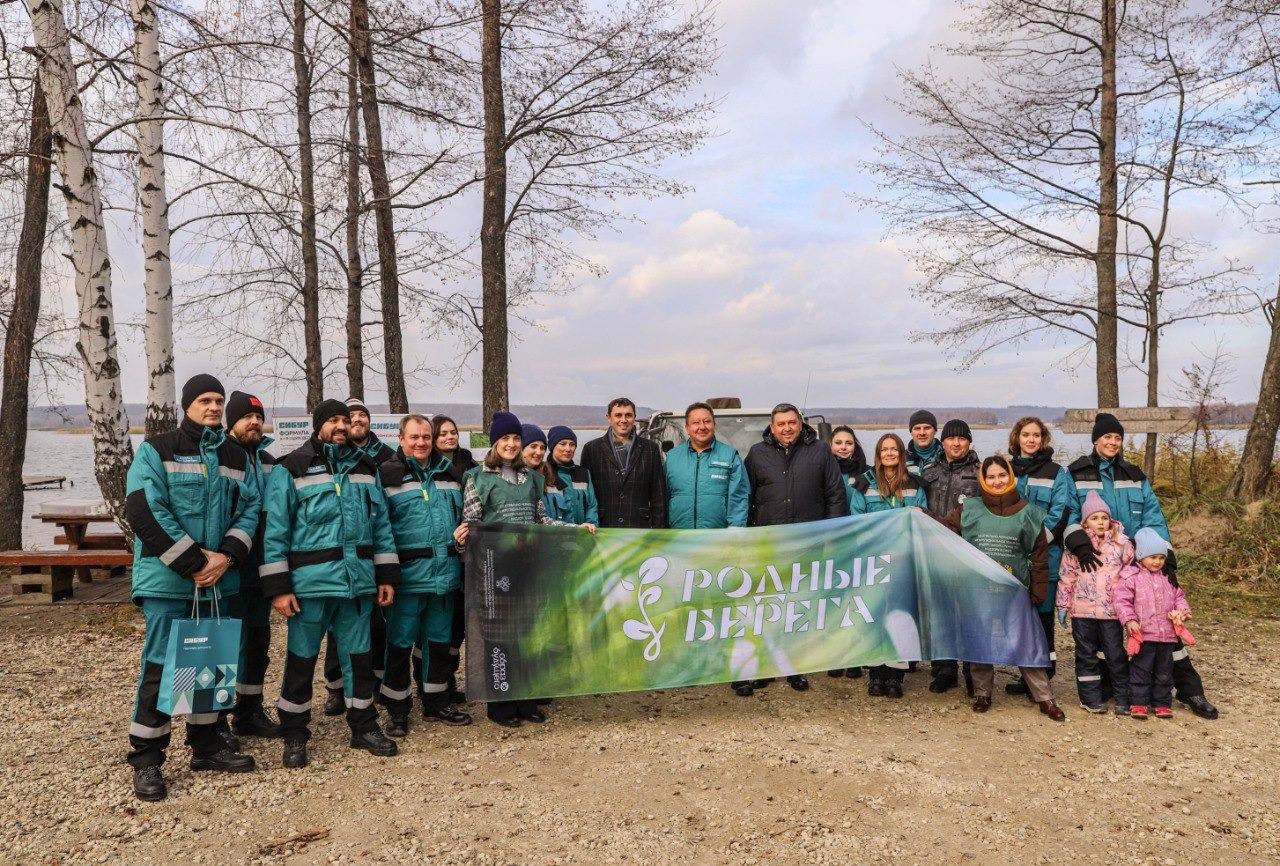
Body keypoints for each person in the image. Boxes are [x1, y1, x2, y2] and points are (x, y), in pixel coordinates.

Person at [124, 374, 260, 802]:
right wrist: (196, 562)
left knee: (211, 662)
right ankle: (147, 758)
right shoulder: (157, 449)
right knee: (163, 665)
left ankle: (206, 745)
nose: (214, 407)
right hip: (169, 582)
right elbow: (145, 509)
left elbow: (251, 506)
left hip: (219, 579)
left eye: (219, 400)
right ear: (187, 405)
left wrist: (226, 558)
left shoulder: (235, 454)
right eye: (205, 400)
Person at [260, 399, 401, 768]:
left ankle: (363, 726)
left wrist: (386, 575)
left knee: (359, 661)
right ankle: (294, 733)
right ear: (318, 425)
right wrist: (279, 587)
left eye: (344, 420)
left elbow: (382, 527)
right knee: (301, 661)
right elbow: (275, 531)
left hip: (357, 587)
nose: (340, 426)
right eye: (333, 420)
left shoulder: (367, 469)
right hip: (309, 589)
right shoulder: (290, 469)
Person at [1063, 413, 1218, 720]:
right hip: (1098, 566)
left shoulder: (1134, 475)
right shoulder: (1076, 473)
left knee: (1161, 626)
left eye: (1117, 438)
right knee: (1104, 632)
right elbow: (1067, 513)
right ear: (1095, 440)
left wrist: (1165, 554)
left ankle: (1190, 689)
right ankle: (1114, 686)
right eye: (1106, 437)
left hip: (1139, 564)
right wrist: (1078, 541)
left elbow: (1153, 517)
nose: (1112, 442)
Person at [453, 411, 595, 726]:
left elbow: (541, 519)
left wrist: (574, 529)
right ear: (494, 442)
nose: (511, 443)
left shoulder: (533, 478)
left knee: (529, 634)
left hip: (528, 568)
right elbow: (472, 522)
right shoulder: (478, 478)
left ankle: (527, 701)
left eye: (516, 438)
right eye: (505, 438)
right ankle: (502, 706)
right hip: (495, 570)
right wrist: (463, 541)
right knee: (501, 637)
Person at [941, 455, 1066, 722]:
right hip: (978, 589)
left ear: (1010, 477)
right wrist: (920, 516)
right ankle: (983, 693)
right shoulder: (969, 509)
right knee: (980, 641)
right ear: (983, 481)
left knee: (1026, 641)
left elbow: (1039, 556)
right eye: (991, 477)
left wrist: (1038, 590)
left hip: (1015, 590)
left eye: (1002, 476)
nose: (997, 481)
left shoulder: (1030, 513)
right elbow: (943, 530)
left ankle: (1044, 697)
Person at [740, 402, 849, 696]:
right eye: (781, 424)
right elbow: (746, 496)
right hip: (769, 543)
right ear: (772, 427)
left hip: (808, 543)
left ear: (800, 423)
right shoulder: (757, 454)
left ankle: (795, 667)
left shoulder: (820, 451)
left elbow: (835, 494)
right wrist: (748, 536)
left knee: (800, 607)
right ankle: (764, 666)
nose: (786, 428)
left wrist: (832, 534)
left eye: (791, 422)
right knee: (767, 607)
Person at [377, 414, 472, 736]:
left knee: (439, 643)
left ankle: (436, 701)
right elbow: (381, 530)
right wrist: (387, 576)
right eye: (414, 437)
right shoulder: (388, 477)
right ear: (401, 439)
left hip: (444, 577)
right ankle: (397, 708)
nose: (421, 443)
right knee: (400, 645)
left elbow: (464, 517)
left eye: (426, 437)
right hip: (408, 578)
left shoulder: (450, 475)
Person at [320, 397, 394, 713]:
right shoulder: (330, 458)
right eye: (351, 416)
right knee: (339, 629)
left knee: (376, 626)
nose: (356, 419)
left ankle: (372, 684)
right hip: (340, 560)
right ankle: (336, 688)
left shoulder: (387, 457)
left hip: (374, 552)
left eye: (362, 414)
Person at [849, 433, 928, 696]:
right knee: (874, 617)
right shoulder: (864, 484)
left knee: (899, 616)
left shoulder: (915, 484)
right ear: (878, 454)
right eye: (885, 450)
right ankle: (876, 673)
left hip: (903, 560)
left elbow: (922, 520)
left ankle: (895, 676)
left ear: (901, 454)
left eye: (894, 449)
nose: (890, 454)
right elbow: (856, 520)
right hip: (873, 559)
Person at [223, 390, 282, 740]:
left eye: (259, 417)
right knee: (224, 643)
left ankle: (249, 711)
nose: (255, 422)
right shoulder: (219, 457)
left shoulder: (270, 462)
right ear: (233, 421)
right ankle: (214, 718)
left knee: (258, 642)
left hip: (260, 569)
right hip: (228, 566)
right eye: (247, 416)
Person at [1006, 416, 1075, 696]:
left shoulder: (1057, 473)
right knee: (1020, 618)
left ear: (1043, 439)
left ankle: (1046, 672)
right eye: (1026, 435)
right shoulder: (1006, 470)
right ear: (1017, 438)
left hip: (1046, 556)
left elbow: (1062, 510)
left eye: (1036, 435)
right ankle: (1026, 674)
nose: (1031, 440)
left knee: (1043, 617)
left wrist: (1037, 542)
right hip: (1011, 556)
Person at [1056, 492, 1134, 714]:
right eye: (1094, 518)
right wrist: (1063, 605)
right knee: (1086, 654)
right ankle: (1090, 697)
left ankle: (1122, 697)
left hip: (1111, 612)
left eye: (1104, 517)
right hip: (1082, 611)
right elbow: (1067, 576)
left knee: (1115, 654)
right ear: (1085, 521)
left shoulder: (1122, 544)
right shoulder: (1077, 546)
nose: (1100, 522)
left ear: (1110, 520)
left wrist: (1131, 604)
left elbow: (1131, 574)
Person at [920, 419, 981, 694]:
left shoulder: (980, 473)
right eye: (951, 439)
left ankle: (972, 670)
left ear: (969, 442)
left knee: (969, 612)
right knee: (940, 611)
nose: (956, 443)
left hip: (967, 549)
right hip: (935, 548)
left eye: (962, 439)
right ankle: (944, 670)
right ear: (942, 442)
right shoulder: (929, 471)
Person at [1112, 529, 1192, 721]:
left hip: (1167, 636)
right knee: (1141, 670)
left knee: (1164, 671)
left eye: (1161, 558)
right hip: (1144, 634)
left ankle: (1162, 703)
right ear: (1141, 557)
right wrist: (1130, 620)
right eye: (1152, 557)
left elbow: (1179, 598)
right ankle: (1138, 702)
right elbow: (1121, 601)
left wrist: (1182, 612)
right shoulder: (1132, 578)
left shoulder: (1168, 579)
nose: (1157, 562)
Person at [432, 413, 475, 701]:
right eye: (443, 433)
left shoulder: (470, 465)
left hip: (468, 551)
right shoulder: (431, 468)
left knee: (460, 624)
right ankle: (438, 684)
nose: (450, 437)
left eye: (453, 432)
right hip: (442, 551)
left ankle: (451, 682)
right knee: (442, 627)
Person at [580, 397, 667, 529]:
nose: (623, 420)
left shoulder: (651, 448)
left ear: (634, 417)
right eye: (618, 415)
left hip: (640, 527)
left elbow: (658, 495)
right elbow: (585, 494)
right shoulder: (591, 449)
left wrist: (658, 531)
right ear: (609, 417)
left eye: (628, 415)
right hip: (602, 527)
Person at [664, 402, 750, 530]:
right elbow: (662, 497)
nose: (702, 427)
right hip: (679, 538)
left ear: (714, 425)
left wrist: (735, 530)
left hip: (718, 538)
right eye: (696, 423)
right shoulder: (672, 458)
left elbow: (739, 497)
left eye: (707, 421)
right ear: (687, 428)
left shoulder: (730, 456)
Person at [546, 425, 599, 526]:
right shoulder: (542, 474)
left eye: (572, 444)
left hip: (581, 536)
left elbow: (592, 506)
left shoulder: (584, 474)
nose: (568, 449)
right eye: (562, 444)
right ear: (552, 446)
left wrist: (590, 524)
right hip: (554, 537)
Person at [829, 425, 868, 513]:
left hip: (859, 523)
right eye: (838, 443)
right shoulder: (823, 471)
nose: (843, 447)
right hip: (832, 524)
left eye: (849, 443)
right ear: (830, 445)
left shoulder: (867, 472)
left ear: (855, 446)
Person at [905, 410, 942, 475]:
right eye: (917, 428)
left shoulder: (947, 457)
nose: (922, 433)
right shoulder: (901, 459)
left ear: (935, 431)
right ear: (911, 432)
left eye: (927, 428)